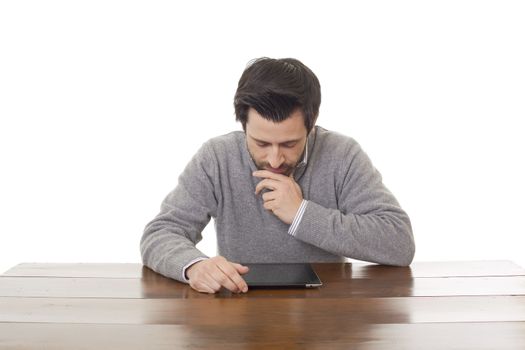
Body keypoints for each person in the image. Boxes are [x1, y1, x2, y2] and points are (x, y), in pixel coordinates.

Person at [140, 57, 415, 294]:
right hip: (238, 307)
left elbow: (399, 243)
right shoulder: (217, 157)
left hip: (327, 312)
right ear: (243, 123)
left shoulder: (342, 155)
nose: (274, 160)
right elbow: (160, 233)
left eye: (289, 144)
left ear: (312, 120)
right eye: (261, 143)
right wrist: (195, 266)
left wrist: (302, 214)